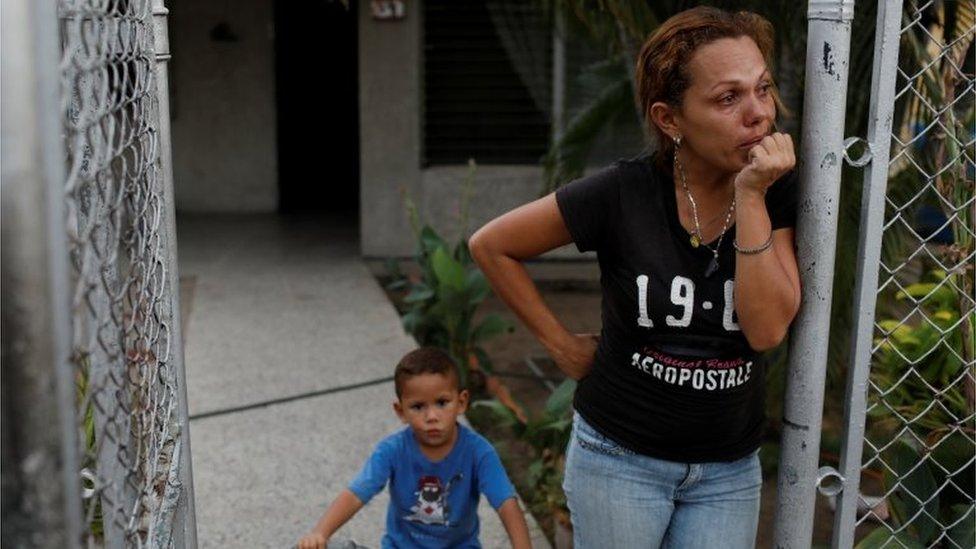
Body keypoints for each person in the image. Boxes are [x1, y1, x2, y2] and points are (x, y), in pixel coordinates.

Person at [468, 6, 801, 548]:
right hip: (619, 460)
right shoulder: (621, 194)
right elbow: (492, 245)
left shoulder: (776, 187)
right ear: (670, 120)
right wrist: (560, 345)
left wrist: (751, 194)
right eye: (727, 98)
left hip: (726, 470)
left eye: (763, 89)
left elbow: (764, 331)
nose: (758, 114)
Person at [297, 347, 532, 549]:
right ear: (401, 411)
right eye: (418, 406)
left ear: (461, 402)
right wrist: (321, 532)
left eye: (442, 403)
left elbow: (506, 503)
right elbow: (356, 494)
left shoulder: (478, 452)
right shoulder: (392, 450)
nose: (431, 416)